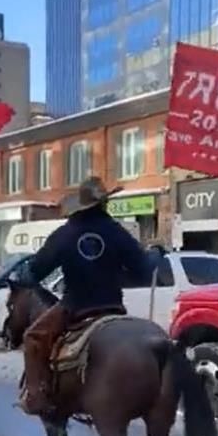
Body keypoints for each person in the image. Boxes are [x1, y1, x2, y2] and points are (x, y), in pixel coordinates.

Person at [20, 176, 164, 416]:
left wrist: (28, 276)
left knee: (33, 338)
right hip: (112, 307)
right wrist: (156, 254)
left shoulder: (65, 234)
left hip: (75, 306)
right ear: (103, 204)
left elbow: (36, 270)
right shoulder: (117, 232)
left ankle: (36, 395)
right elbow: (143, 270)